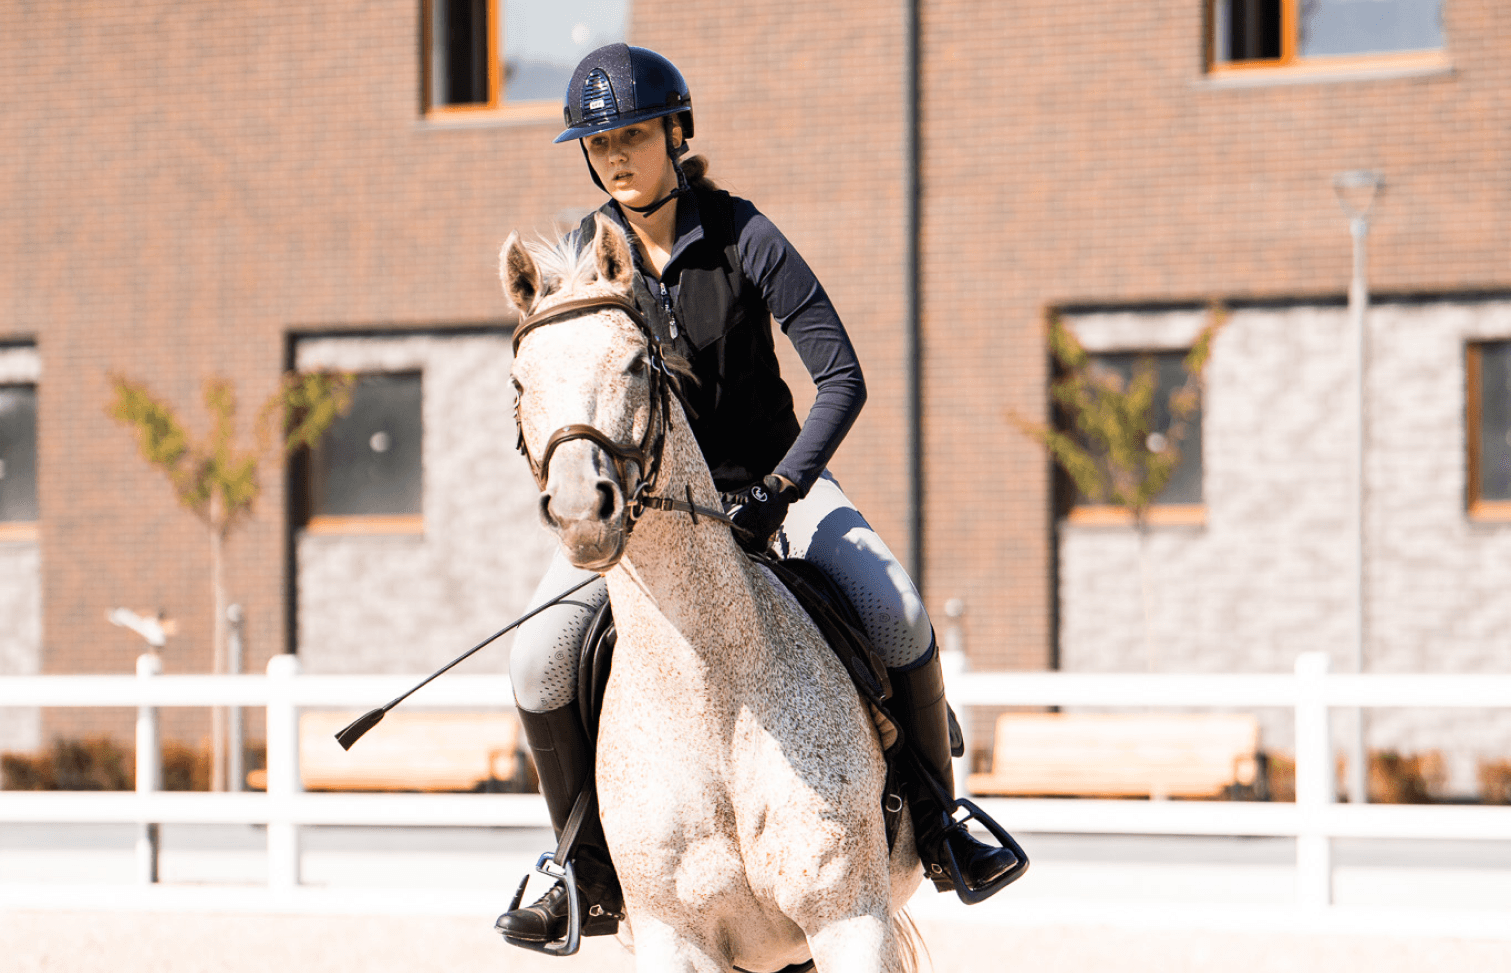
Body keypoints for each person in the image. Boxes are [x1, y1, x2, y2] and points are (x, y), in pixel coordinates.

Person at [496, 43, 1023, 947]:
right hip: (644, 516)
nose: (614, 156)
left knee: (895, 609)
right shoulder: (585, 260)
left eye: (630, 135)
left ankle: (941, 822)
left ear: (675, 132)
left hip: (776, 481)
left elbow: (842, 377)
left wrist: (780, 491)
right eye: (597, 142)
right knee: (538, 656)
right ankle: (580, 864)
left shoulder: (744, 236)